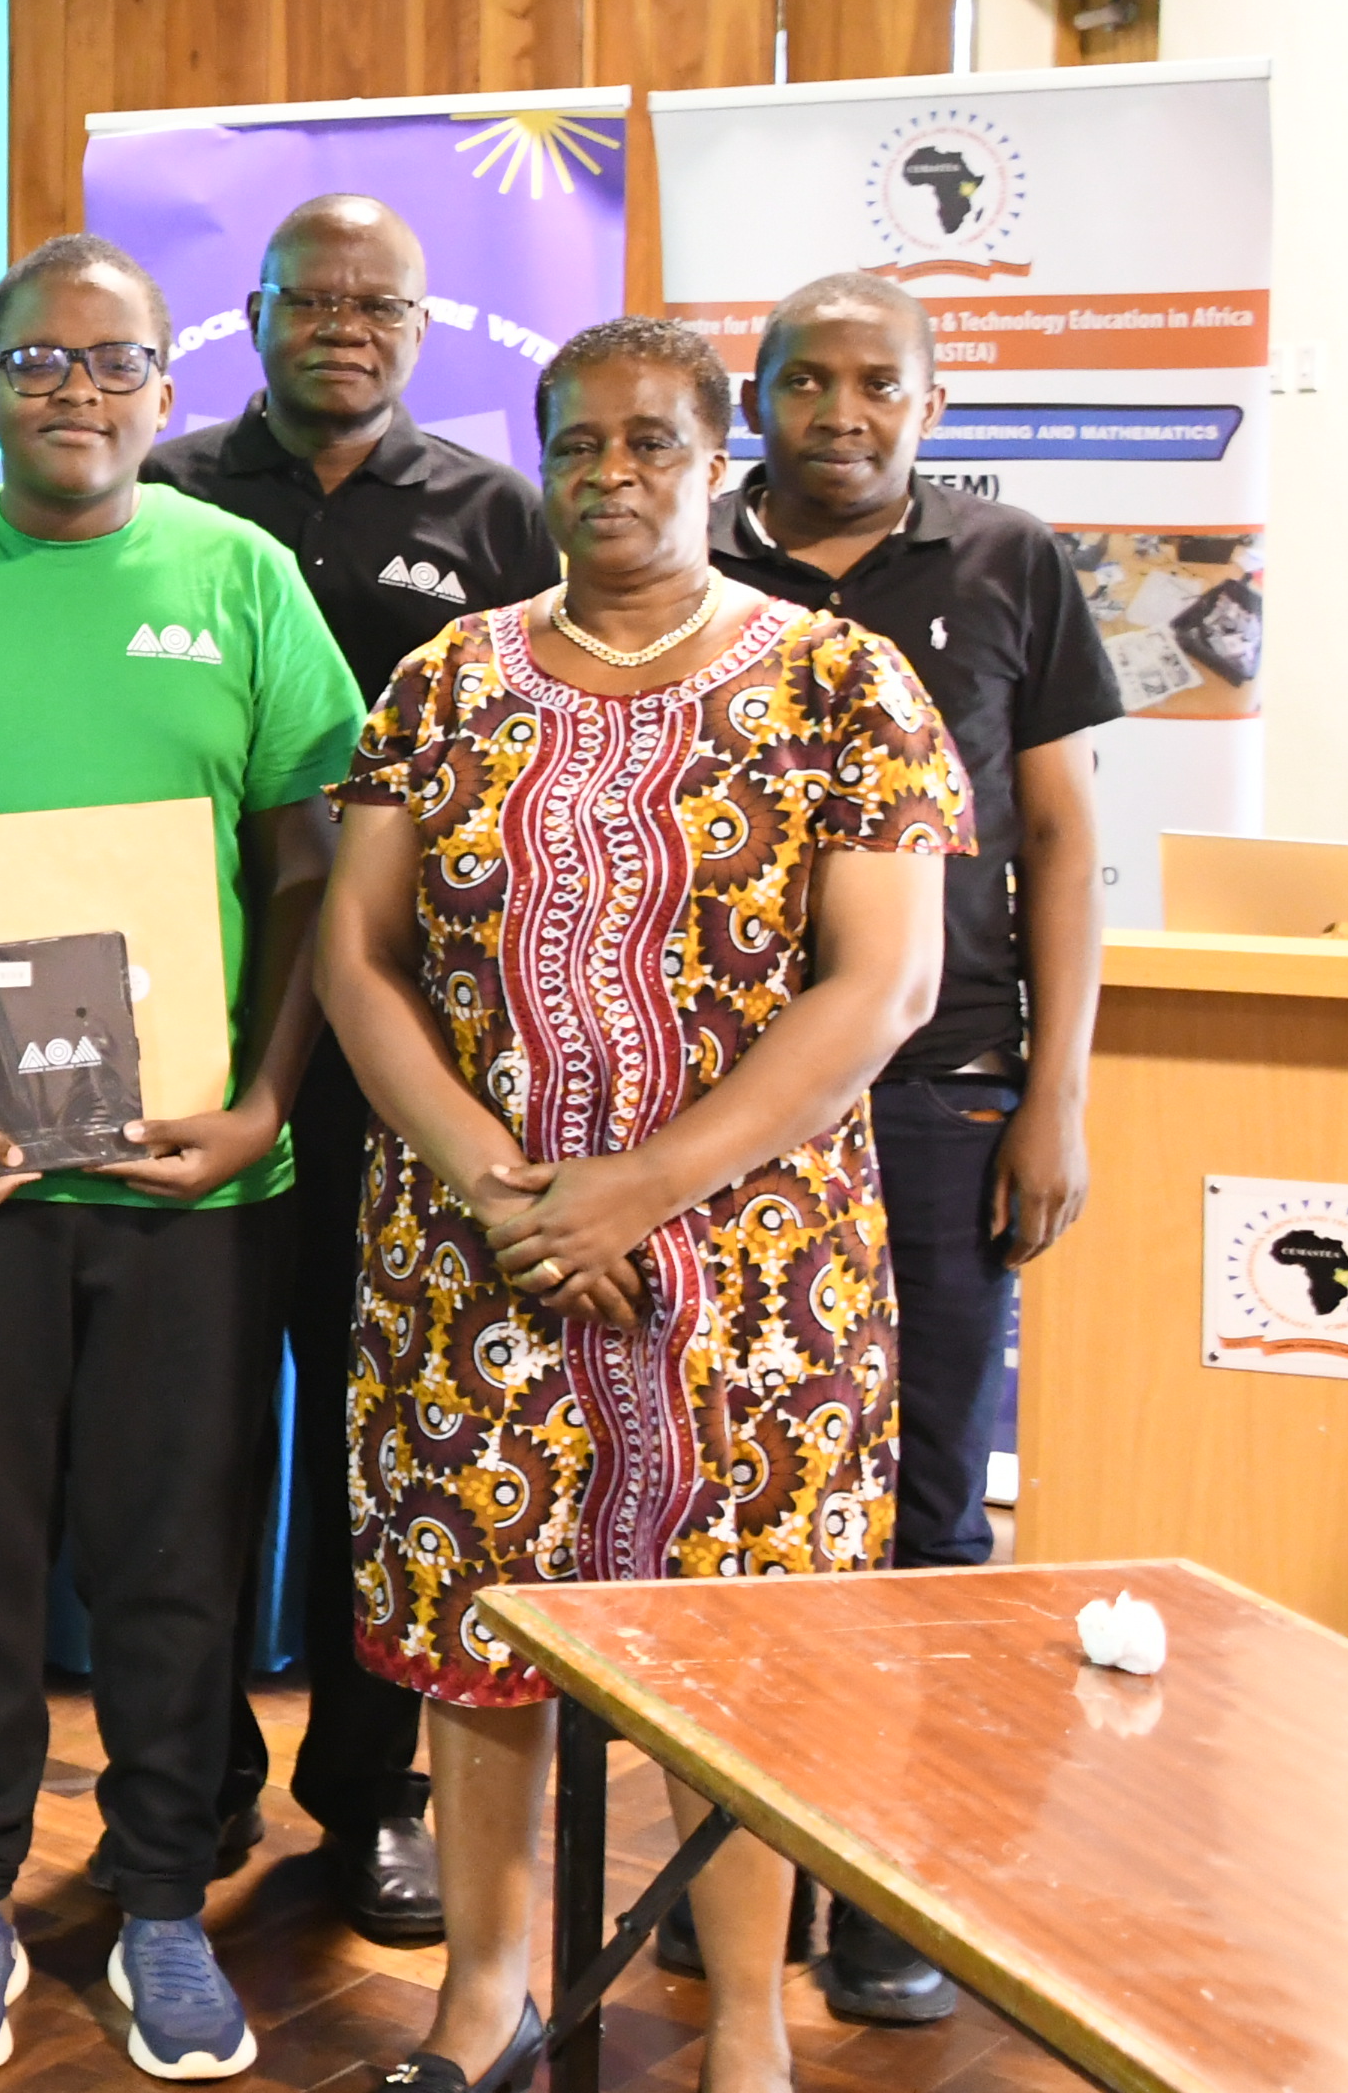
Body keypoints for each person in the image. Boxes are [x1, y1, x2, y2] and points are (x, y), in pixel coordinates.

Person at [317, 316, 964, 2093]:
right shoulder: (446, 677)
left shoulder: (842, 681)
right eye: (578, 441)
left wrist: (636, 1193)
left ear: (718, 449)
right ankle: (480, 2000)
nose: (612, 473)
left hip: (752, 1273)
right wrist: (490, 1176)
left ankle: (745, 2026)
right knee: (477, 1642)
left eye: (652, 441)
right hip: (475, 1253)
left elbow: (881, 985)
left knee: (738, 1674)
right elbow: (356, 957)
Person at [0, 235, 355, 2083]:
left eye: (113, 363)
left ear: (165, 390)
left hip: (192, 1182)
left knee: (175, 1551)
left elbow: (310, 869)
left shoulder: (242, 574)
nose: (77, 392)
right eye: (40, 360)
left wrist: (267, 1103)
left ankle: (169, 1904)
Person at [138, 193, 560, 1943]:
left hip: (406, 1058)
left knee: (382, 1438)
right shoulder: (157, 486)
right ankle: (196, 1761)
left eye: (376, 300)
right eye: (307, 297)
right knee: (190, 1434)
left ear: (420, 322)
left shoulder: (494, 513)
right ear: (249, 311)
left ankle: (365, 1788)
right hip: (184, 1028)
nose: (341, 325)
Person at [708, 269, 1114, 2026]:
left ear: (930, 403)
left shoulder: (1013, 559)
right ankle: (722, 1874)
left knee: (928, 1501)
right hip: (722, 1105)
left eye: (880, 382)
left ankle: (887, 1879)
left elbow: (1062, 834)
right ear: (759, 401)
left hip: (943, 1095)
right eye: (810, 381)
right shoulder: (689, 560)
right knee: (729, 1500)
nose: (843, 412)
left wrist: (1060, 1089)